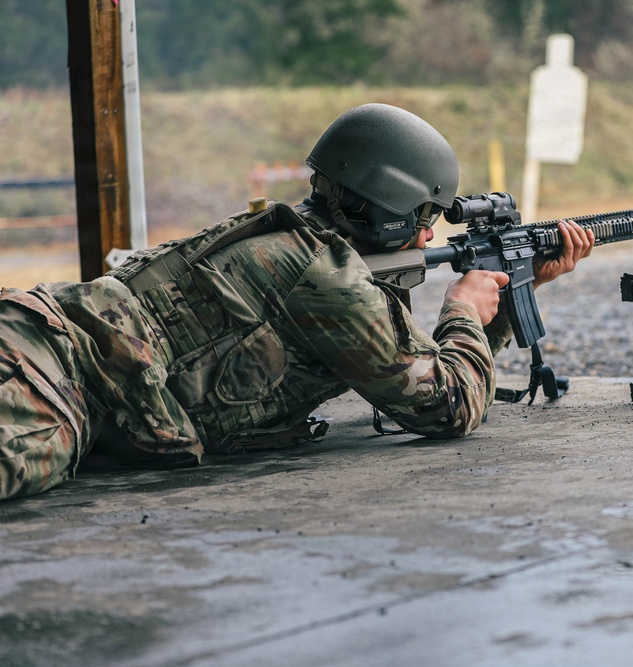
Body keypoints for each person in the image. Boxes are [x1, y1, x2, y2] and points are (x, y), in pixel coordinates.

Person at [0, 103, 594, 500]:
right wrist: (463, 309)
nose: (428, 236)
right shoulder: (327, 277)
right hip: (54, 376)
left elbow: (418, 370)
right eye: (422, 217)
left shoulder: (292, 235)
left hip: (45, 338)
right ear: (386, 213)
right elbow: (448, 407)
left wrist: (515, 290)